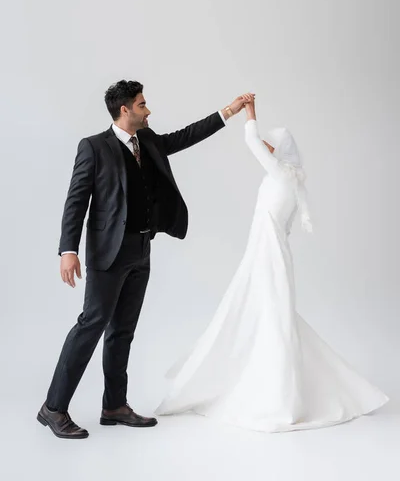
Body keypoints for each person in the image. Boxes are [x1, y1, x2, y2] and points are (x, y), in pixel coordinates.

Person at [155, 95, 389, 432]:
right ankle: (272, 383)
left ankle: (277, 396)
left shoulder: (279, 173)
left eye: (271, 144)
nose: (266, 147)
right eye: (268, 144)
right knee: (267, 312)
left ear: (279, 150)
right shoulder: (291, 179)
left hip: (268, 254)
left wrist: (249, 112)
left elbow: (251, 140)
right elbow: (295, 219)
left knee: (268, 314)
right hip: (270, 253)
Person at [37, 80, 253, 439]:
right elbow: (76, 201)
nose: (148, 110)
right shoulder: (94, 148)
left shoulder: (149, 141)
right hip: (108, 254)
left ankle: (114, 406)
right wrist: (68, 250)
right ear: (125, 110)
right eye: (142, 104)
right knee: (91, 326)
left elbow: (187, 136)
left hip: (141, 250)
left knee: (122, 331)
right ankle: (53, 407)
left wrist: (228, 111)